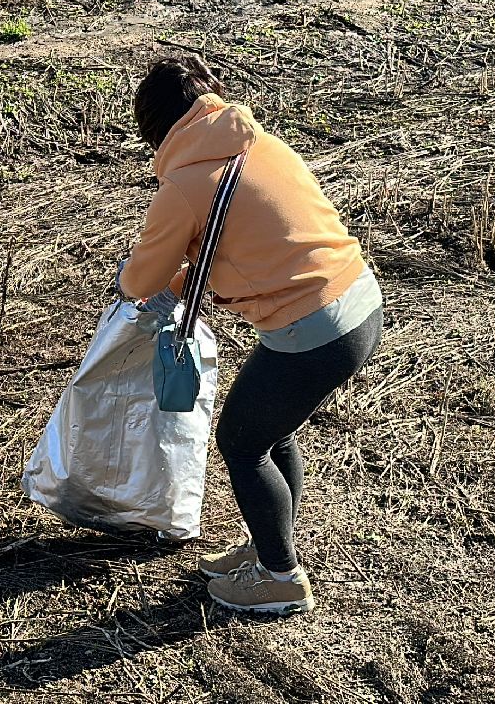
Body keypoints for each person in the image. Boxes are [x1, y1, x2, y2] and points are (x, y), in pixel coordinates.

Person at [117, 56, 382, 615]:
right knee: (273, 430)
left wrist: (140, 280)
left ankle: (280, 578)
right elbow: (251, 238)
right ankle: (269, 546)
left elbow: (139, 281)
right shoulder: (259, 145)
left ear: (155, 125)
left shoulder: (185, 183)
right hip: (358, 302)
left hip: (312, 329)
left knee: (241, 443)